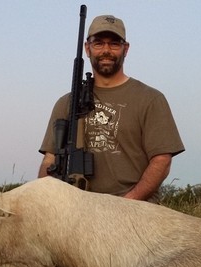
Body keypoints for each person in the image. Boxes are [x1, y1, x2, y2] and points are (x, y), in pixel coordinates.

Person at [38, 14, 184, 202]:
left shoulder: (151, 99)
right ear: (87, 48)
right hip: (77, 211)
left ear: (126, 49)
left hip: (135, 210)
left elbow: (162, 161)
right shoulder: (66, 103)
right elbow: (49, 160)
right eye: (98, 43)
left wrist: (124, 205)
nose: (106, 50)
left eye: (114, 44)